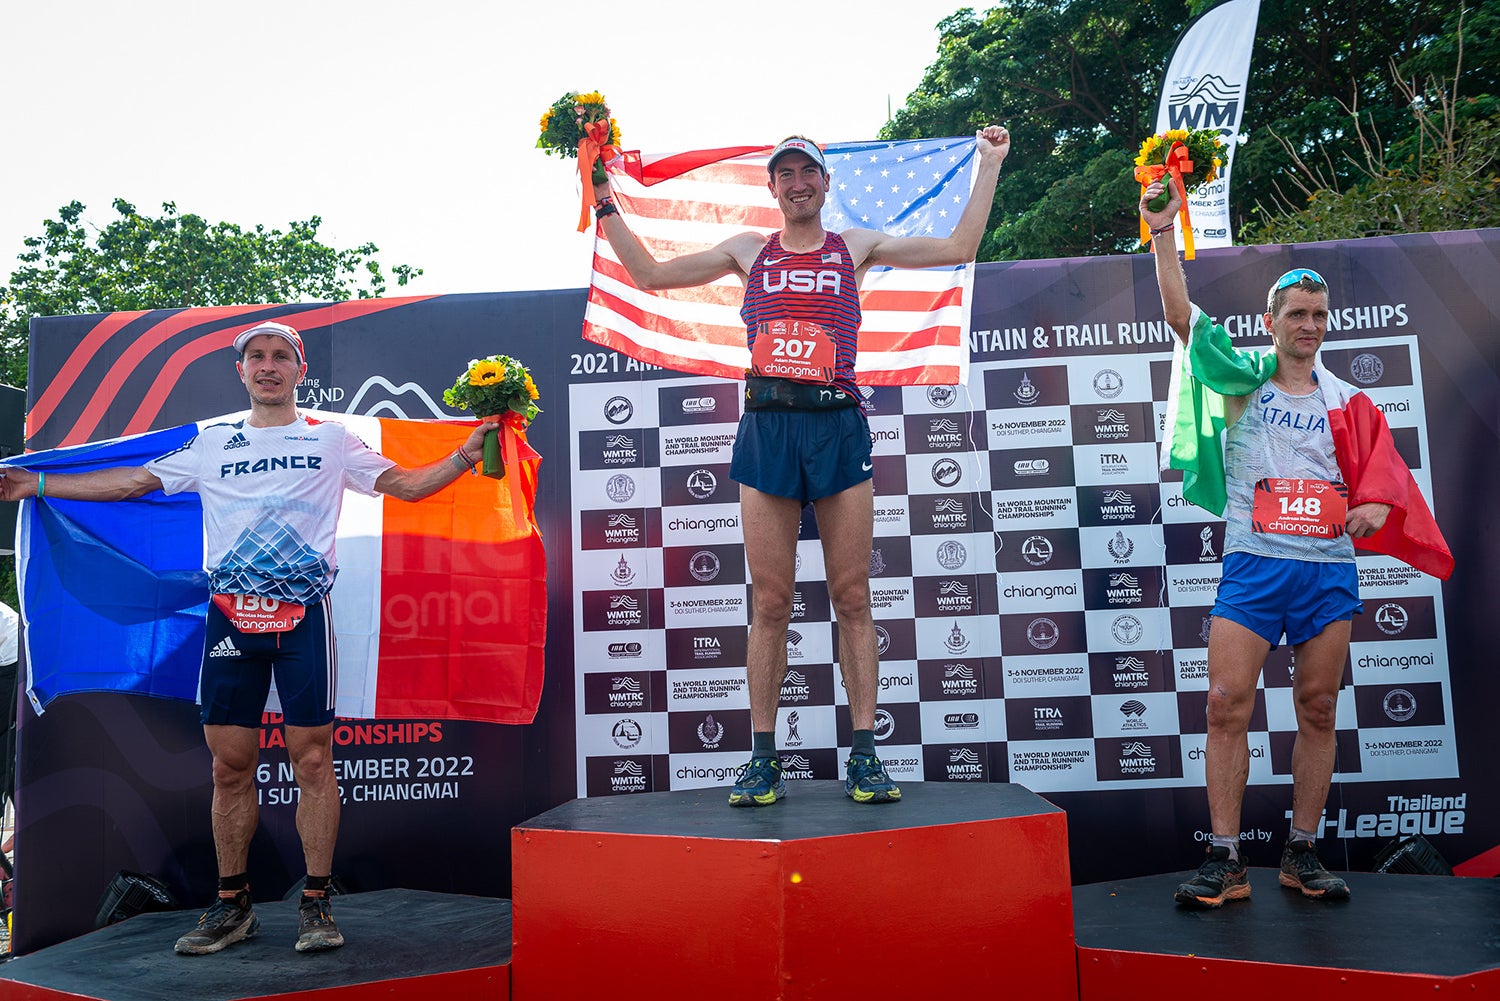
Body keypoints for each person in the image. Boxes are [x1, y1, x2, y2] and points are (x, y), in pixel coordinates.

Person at [0, 321, 497, 954]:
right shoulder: (212, 443)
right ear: (241, 371)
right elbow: (130, 483)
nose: (268, 366)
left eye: (280, 356)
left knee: (313, 760)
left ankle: (316, 903)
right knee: (229, 766)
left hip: (303, 619)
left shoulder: (332, 439)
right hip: (230, 620)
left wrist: (465, 452)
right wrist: (35, 484)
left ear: (298, 369)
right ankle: (233, 905)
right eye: (256, 357)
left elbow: (406, 486)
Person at [593, 129, 1011, 806]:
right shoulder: (747, 252)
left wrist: (988, 165)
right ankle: (762, 757)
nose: (797, 183)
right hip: (768, 426)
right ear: (772, 188)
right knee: (770, 601)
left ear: (824, 181)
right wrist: (605, 200)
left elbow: (959, 249)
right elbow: (649, 276)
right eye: (784, 174)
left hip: (836, 425)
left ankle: (867, 754)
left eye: (806, 172)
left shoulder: (858, 246)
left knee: (852, 597)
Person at [1139, 182, 1451, 908]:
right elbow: (1181, 316)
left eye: (1318, 316)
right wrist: (1162, 232)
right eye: (1296, 315)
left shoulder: (1351, 401)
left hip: (1325, 575)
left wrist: (1374, 503)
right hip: (1252, 565)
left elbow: (1382, 481)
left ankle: (1300, 852)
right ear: (1270, 321)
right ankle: (1226, 857)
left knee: (1316, 707)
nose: (1309, 326)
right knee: (1225, 702)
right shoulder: (1243, 380)